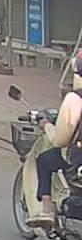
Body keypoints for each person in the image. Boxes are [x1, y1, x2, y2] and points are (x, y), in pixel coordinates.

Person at [26, 61, 82, 228]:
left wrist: (47, 126)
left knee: (44, 160)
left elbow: (60, 140)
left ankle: (47, 210)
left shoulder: (75, 100)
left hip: (77, 160)